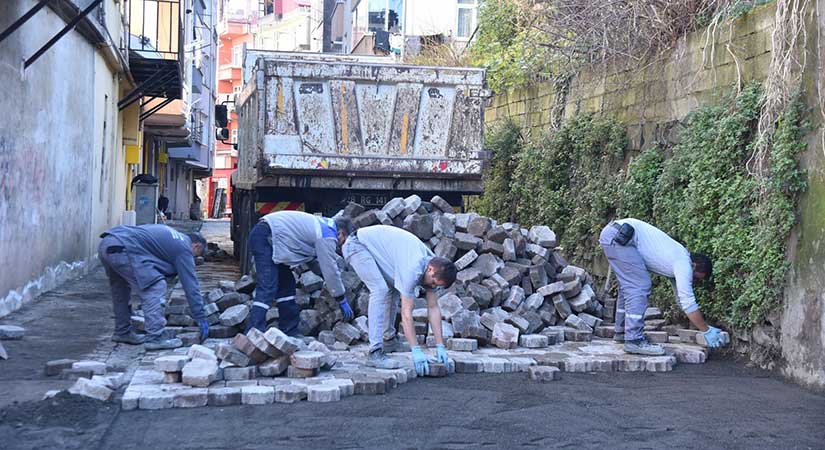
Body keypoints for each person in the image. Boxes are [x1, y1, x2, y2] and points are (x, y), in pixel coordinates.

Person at [599, 218, 729, 355]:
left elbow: (681, 300)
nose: (694, 282)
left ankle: (622, 332)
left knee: (629, 286)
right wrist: (706, 330)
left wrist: (704, 326)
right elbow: (688, 302)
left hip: (617, 233)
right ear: (694, 265)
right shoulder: (684, 264)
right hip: (622, 236)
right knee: (639, 285)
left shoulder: (676, 258)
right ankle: (633, 340)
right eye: (696, 278)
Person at [341, 224, 457, 374]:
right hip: (356, 245)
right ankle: (375, 352)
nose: (432, 286)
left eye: (437, 285)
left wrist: (440, 346)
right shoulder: (413, 269)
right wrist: (416, 350)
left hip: (377, 248)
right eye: (433, 282)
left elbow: (433, 307)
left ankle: (388, 340)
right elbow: (406, 314)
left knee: (393, 289)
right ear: (430, 270)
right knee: (380, 289)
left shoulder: (434, 265)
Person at [98, 224, 209, 350]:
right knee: (156, 286)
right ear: (196, 246)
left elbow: (153, 262)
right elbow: (190, 285)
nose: (192, 258)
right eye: (195, 255)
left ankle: (122, 332)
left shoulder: (173, 237)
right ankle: (155, 338)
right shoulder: (184, 248)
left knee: (121, 290)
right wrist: (200, 316)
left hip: (107, 243)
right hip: (124, 249)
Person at [246, 211, 354, 336]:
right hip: (266, 237)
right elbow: (330, 269)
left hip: (274, 239)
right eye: (344, 241)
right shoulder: (328, 235)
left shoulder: (323, 226)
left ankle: (289, 331)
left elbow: (313, 260)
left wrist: (323, 276)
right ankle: (253, 333)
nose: (340, 245)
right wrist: (341, 298)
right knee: (268, 286)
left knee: (287, 285)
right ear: (341, 233)